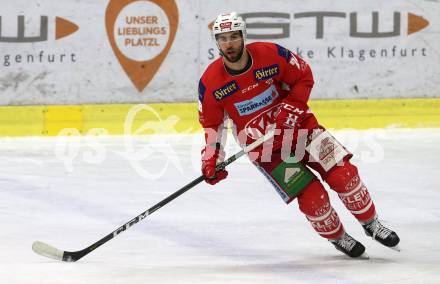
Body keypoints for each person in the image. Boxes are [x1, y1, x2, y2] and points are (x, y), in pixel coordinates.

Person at [197, 12, 400, 258]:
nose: (228, 44)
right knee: (313, 198)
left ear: (243, 36)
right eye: (223, 38)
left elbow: (303, 75)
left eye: (233, 37)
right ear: (217, 42)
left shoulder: (271, 54)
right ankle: (338, 237)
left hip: (301, 128)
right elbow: (212, 126)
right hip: (267, 151)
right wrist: (211, 159)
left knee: (344, 175)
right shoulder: (210, 83)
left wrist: (292, 108)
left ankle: (372, 224)